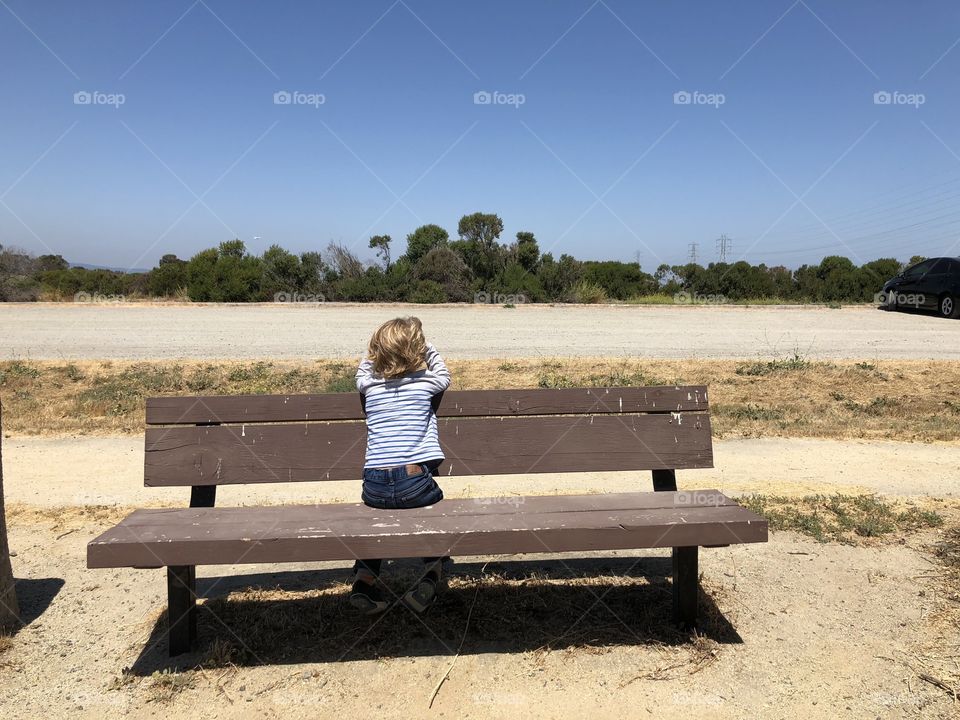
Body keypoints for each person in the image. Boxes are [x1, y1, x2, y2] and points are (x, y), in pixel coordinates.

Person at [350, 316, 450, 614]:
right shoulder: (426, 383)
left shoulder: (370, 387)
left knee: (376, 522)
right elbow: (444, 375)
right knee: (434, 511)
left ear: (377, 352)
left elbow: (360, 375)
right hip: (414, 483)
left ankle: (364, 582)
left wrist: (372, 354)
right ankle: (431, 576)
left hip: (374, 487)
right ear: (417, 351)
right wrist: (426, 346)